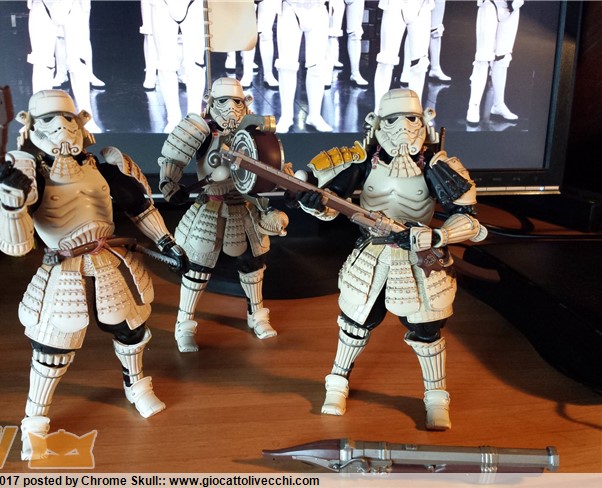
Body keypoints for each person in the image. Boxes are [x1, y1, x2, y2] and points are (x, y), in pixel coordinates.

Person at [0, 89, 188, 460]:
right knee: (52, 349)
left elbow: (140, 208)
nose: (61, 127)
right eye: (49, 119)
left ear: (80, 121)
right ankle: (35, 420)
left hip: (108, 256)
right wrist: (12, 205)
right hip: (64, 265)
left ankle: (136, 385)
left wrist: (167, 243)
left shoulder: (105, 164)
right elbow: (16, 246)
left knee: (132, 330)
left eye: (68, 118)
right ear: (32, 125)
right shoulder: (27, 169)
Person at [297, 88, 487, 430]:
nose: (403, 127)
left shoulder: (436, 166)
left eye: (411, 118)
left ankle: (436, 396)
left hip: (420, 253)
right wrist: (313, 204)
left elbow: (470, 221)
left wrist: (437, 236)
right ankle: (337, 383)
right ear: (377, 123)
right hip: (373, 251)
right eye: (393, 120)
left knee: (427, 328)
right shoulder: (362, 161)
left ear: (424, 122)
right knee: (354, 322)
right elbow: (331, 201)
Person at [158, 77, 289, 353]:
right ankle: (184, 325)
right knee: (197, 268)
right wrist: (169, 184)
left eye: (237, 101)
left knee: (253, 265)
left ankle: (257, 315)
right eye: (222, 101)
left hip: (244, 204)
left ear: (246, 103)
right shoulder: (202, 130)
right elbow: (173, 159)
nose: (231, 107)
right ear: (210, 102)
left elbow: (273, 164)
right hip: (211, 204)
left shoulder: (253, 130)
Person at [26, 0, 102, 133]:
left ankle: (86, 118)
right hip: (41, 5)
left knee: (77, 61)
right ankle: (37, 119)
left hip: (73, 5)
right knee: (41, 62)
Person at [147, 0, 206, 132]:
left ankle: (194, 118)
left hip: (194, 4)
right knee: (165, 64)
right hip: (162, 4)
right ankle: (173, 118)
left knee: (195, 63)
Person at [275, 0, 333, 133]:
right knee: (286, 65)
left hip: (318, 7)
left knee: (317, 64)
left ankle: (315, 115)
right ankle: (286, 116)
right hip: (290, 7)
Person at [466, 0, 524, 124]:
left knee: (503, 57)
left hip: (513, 4)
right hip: (490, 4)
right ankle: (474, 105)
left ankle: (498, 104)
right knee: (483, 57)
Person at [374, 0, 433, 109]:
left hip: (422, 6)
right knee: (386, 60)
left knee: (420, 64)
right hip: (394, 5)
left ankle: (415, 111)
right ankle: (378, 111)